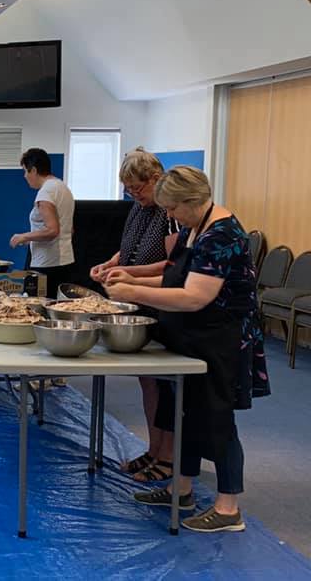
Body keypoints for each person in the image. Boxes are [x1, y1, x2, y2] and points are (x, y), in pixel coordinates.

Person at [105, 166, 268, 533]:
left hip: (220, 340)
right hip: (191, 336)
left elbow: (196, 295)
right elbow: (177, 273)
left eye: (174, 209)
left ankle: (229, 508)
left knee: (217, 419)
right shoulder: (194, 227)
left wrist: (133, 292)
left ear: (192, 201)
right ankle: (180, 489)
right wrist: (132, 275)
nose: (170, 216)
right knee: (180, 411)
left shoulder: (223, 234)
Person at [90, 148, 178, 481]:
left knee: (164, 383)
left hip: (161, 303)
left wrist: (131, 273)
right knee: (148, 381)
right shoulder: (140, 208)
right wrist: (114, 263)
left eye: (138, 188)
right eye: (128, 190)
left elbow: (172, 265)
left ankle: (167, 456)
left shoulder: (170, 211)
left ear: (156, 179)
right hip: (139, 300)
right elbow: (130, 246)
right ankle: (154, 450)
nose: (134, 194)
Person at [9, 148, 75, 299]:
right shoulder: (62, 187)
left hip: (46, 264)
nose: (25, 176)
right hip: (65, 260)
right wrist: (33, 237)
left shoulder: (46, 193)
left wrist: (24, 237)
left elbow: (52, 230)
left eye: (26, 171)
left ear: (34, 170)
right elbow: (69, 229)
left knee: (39, 309)